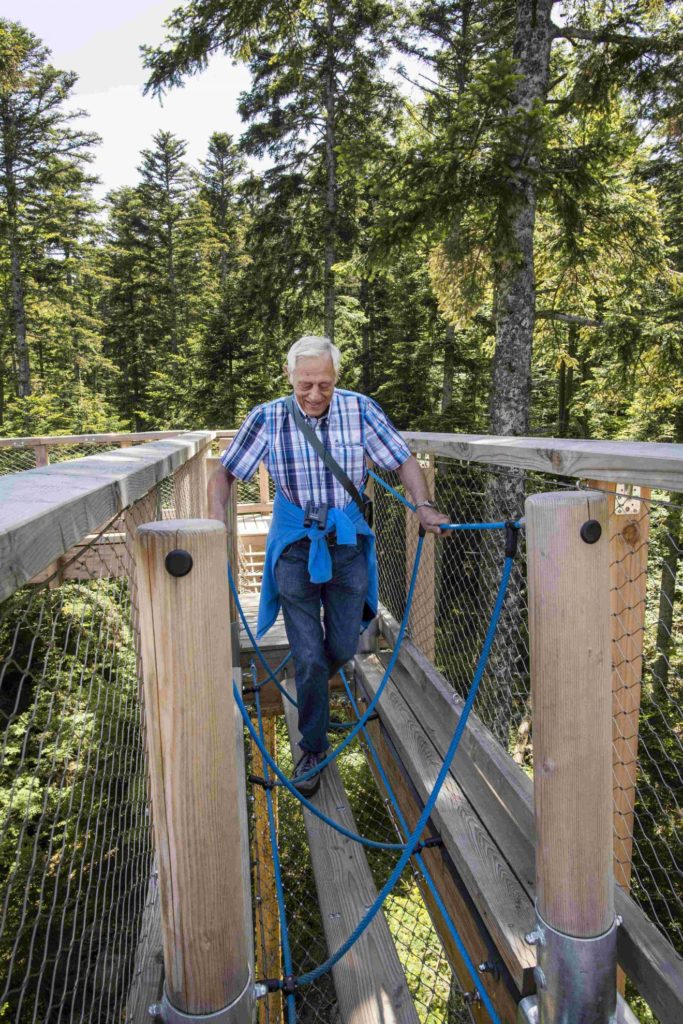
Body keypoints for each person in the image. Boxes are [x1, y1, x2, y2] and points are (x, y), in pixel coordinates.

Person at [208, 335, 449, 796]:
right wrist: (217, 521)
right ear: (290, 378)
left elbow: (403, 461)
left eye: (324, 384)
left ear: (336, 378)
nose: (315, 395)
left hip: (346, 542)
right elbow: (224, 472)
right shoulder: (268, 417)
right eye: (306, 385)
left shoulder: (360, 410)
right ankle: (311, 747)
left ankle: (314, 690)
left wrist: (424, 506)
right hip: (295, 546)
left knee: (344, 644)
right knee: (310, 654)